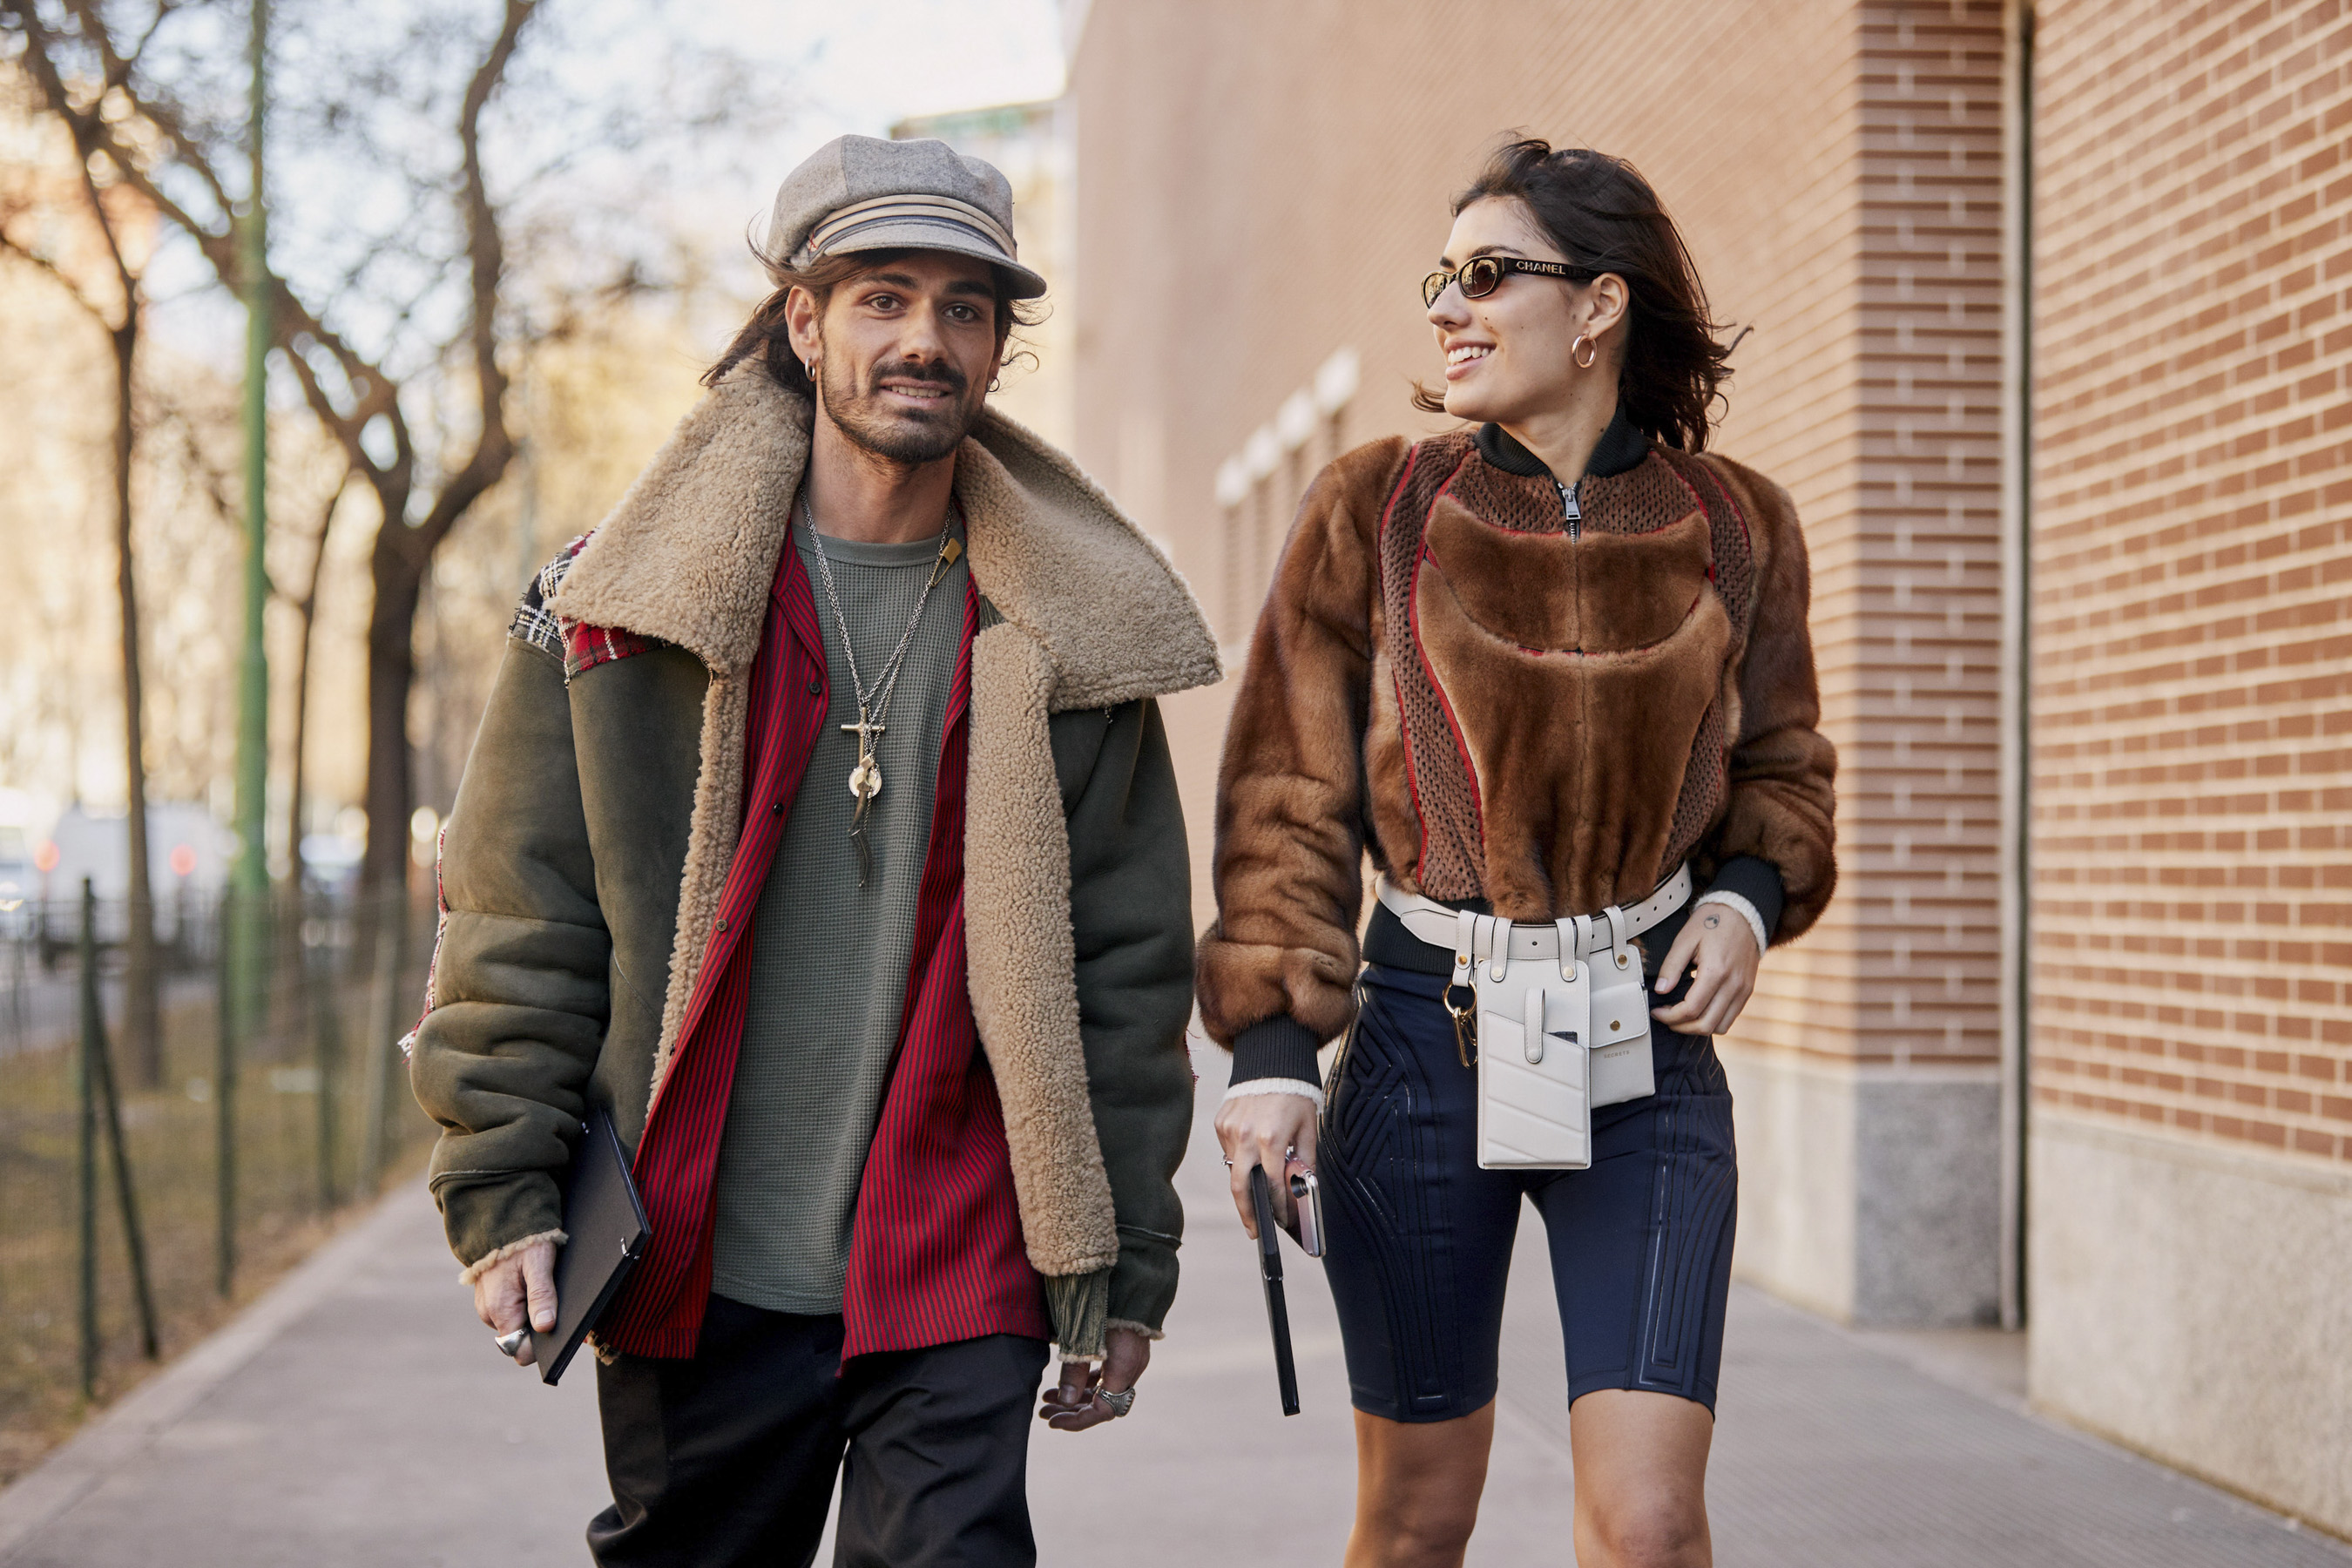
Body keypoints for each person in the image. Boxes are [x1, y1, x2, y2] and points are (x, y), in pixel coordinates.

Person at [409, 134, 1220, 1567]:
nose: (926, 340)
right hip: (697, 1256)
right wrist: (503, 1189)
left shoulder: (1071, 633)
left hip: (958, 1255)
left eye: (964, 308)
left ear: (998, 346)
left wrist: (1127, 1269)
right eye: (883, 298)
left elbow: (1129, 972)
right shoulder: (621, 610)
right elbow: (522, 916)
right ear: (804, 321)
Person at [1201, 139, 1838, 1568]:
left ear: (1599, 305)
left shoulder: (1738, 524)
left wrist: (1746, 898)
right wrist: (1272, 1054)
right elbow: (1286, 796)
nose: (1448, 307)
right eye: (1441, 279)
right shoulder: (1373, 509)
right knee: (1416, 1524)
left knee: (1653, 1527)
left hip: (1647, 1049)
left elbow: (1787, 767)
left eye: (1488, 275)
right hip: (1421, 1043)